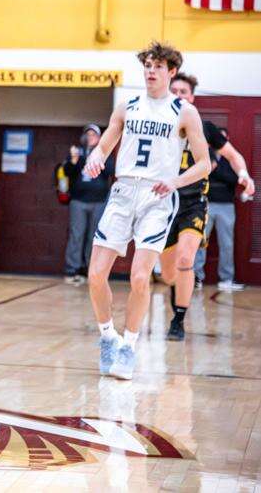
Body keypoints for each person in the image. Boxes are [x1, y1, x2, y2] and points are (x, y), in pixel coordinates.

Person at [85, 42, 210, 381]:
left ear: (171, 72)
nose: (151, 71)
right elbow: (105, 145)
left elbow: (204, 164)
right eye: (147, 66)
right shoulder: (127, 107)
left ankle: (128, 346)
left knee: (140, 277)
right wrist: (96, 157)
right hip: (123, 192)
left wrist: (175, 181)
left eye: (158, 66)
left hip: (157, 196)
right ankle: (108, 337)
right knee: (95, 275)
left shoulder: (184, 112)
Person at [161, 73, 256, 340]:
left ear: (192, 97)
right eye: (174, 90)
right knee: (168, 274)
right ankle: (178, 292)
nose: (178, 95)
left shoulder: (205, 128)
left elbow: (233, 156)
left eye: (184, 91)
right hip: (163, 204)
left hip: (194, 203)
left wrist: (244, 175)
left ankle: (178, 320)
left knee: (185, 259)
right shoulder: (157, 125)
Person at [62, 124, 114, 284]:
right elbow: (67, 172)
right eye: (88, 134)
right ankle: (72, 269)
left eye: (94, 135)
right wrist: (74, 160)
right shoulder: (77, 153)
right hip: (79, 201)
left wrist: (98, 158)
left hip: (98, 201)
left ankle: (90, 270)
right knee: (76, 235)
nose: (90, 137)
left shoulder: (105, 152)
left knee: (94, 237)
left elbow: (110, 171)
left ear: (99, 138)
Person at [194, 131, 240, 290]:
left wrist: (215, 170)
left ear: (227, 139)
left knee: (227, 244)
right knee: (199, 242)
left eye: (223, 138)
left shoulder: (232, 159)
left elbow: (233, 179)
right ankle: (196, 277)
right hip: (205, 204)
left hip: (226, 206)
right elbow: (200, 176)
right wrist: (214, 171)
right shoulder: (205, 156)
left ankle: (226, 279)